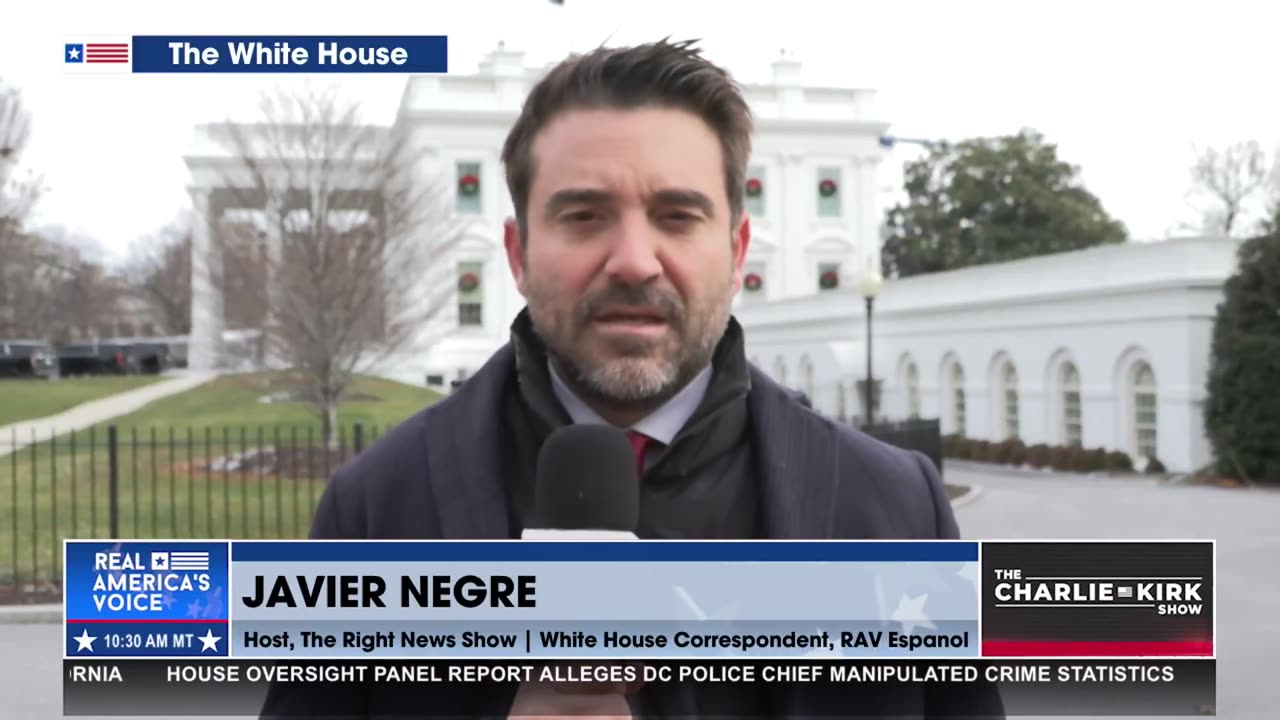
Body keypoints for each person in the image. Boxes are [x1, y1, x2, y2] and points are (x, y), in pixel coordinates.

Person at [260, 38, 1003, 720]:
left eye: (678, 216)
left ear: (738, 250)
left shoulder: (897, 510)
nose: (634, 261)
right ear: (517, 255)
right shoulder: (375, 514)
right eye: (584, 216)